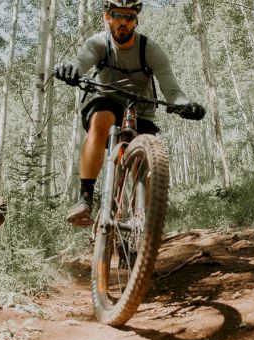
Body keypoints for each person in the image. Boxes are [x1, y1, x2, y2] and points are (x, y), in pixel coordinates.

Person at [54, 0, 205, 226]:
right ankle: (85, 198)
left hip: (141, 112)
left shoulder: (150, 50)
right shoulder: (98, 43)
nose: (123, 21)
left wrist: (185, 104)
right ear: (107, 17)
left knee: (146, 162)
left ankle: (143, 220)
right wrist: (71, 70)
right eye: (117, 15)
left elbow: (172, 90)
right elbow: (81, 62)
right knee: (102, 118)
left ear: (136, 20)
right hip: (108, 102)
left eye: (129, 16)